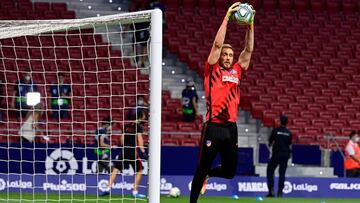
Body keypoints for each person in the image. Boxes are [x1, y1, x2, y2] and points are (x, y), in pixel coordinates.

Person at [189, 2, 254, 203]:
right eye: (225, 55)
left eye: (230, 55)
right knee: (201, 167)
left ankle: (209, 175)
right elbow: (217, 45)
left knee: (229, 171)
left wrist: (251, 25)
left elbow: (248, 50)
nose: (227, 57)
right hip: (213, 127)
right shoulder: (212, 70)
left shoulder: (237, 70)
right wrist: (227, 18)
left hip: (230, 128)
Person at [100, 111, 147, 198]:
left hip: (124, 150)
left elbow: (121, 138)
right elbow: (140, 139)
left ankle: (107, 189)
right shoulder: (138, 127)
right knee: (139, 170)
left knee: (116, 169)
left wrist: (124, 145)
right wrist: (143, 152)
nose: (145, 118)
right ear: (140, 117)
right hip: (132, 151)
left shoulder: (126, 125)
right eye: (144, 116)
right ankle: (135, 192)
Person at [266, 115, 292, 198]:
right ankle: (280, 192)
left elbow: (270, 141)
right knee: (282, 173)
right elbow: (289, 144)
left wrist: (270, 144)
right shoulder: (289, 133)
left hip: (277, 154)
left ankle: (271, 190)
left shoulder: (276, 131)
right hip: (285, 155)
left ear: (280, 121)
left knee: (270, 170)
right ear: (287, 123)